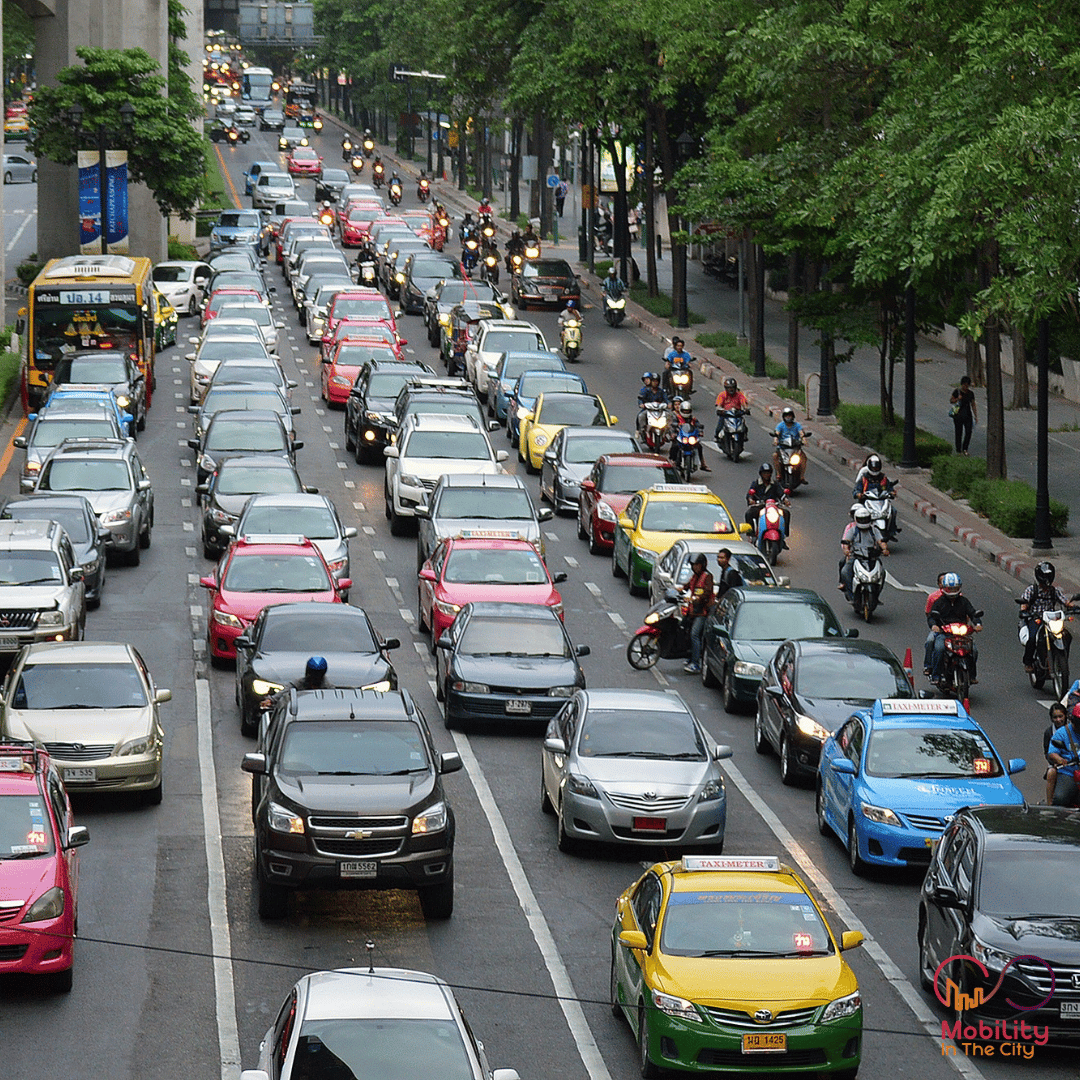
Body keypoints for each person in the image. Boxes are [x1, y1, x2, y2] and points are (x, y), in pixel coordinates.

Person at [1018, 561, 1074, 673]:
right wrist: (1024, 610)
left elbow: (1065, 601)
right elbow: (1024, 604)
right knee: (1032, 639)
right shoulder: (1031, 590)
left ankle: (1062, 658)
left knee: (1067, 636)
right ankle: (1028, 662)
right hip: (1036, 619)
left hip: (1051, 620)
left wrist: (1073, 606)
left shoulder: (1054, 591)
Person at [928, 573, 981, 684]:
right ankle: (936, 675)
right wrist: (934, 626)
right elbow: (931, 617)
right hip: (945, 633)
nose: (952, 591)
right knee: (939, 648)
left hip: (962, 634)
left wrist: (977, 624)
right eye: (950, 588)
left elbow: (973, 613)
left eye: (955, 588)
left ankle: (971, 675)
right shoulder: (939, 602)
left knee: (974, 650)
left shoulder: (964, 601)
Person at [839, 505, 886, 599]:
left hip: (871, 557)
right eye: (861, 519)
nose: (864, 521)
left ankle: (876, 595)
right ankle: (851, 593)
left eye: (865, 519)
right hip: (856, 556)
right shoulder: (852, 530)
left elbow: (881, 541)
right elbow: (846, 542)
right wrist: (847, 551)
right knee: (845, 571)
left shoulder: (874, 530)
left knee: (882, 573)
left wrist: (884, 549)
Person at [682, 553, 714, 674]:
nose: (695, 567)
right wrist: (679, 589)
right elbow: (687, 586)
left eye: (697, 565)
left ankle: (696, 663)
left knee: (695, 634)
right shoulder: (694, 577)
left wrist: (695, 598)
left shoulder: (707, 577)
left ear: (703, 565)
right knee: (686, 630)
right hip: (693, 611)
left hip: (702, 613)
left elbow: (706, 593)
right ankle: (689, 657)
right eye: (693, 565)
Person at [1047, 705, 1080, 806]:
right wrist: (1061, 760)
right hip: (1069, 772)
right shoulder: (1062, 733)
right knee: (1060, 798)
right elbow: (1052, 753)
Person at [745, 463, 788, 531]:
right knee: (748, 514)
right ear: (761, 474)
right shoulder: (756, 483)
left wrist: (785, 500)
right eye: (765, 473)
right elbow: (750, 494)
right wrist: (750, 500)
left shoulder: (775, 484)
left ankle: (784, 533)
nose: (767, 475)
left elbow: (781, 493)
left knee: (786, 513)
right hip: (760, 506)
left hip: (773, 507)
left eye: (768, 473)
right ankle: (751, 534)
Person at [670, 399, 709, 471]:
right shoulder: (677, 417)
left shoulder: (693, 419)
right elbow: (672, 426)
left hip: (690, 437)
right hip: (680, 436)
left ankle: (703, 464)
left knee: (699, 447)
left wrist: (700, 431)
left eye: (687, 411)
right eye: (684, 411)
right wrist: (673, 433)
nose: (686, 412)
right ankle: (672, 461)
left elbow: (698, 425)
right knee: (675, 445)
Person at [1044, 702, 1069, 804]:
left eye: (1060, 716)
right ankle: (1050, 804)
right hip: (1057, 765)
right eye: (1055, 717)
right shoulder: (1049, 733)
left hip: (1073, 763)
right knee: (1051, 773)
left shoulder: (1073, 729)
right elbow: (1047, 753)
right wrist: (1056, 761)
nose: (1058, 720)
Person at [923, 572, 947, 676]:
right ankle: (929, 666)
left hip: (954, 630)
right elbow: (929, 614)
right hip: (940, 629)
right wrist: (934, 625)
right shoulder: (934, 598)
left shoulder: (960, 598)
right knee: (930, 641)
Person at [715, 377, 749, 442]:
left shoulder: (739, 395)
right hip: (726, 414)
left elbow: (744, 403)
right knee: (719, 427)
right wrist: (720, 409)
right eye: (729, 388)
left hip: (737, 414)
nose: (731, 389)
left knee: (744, 427)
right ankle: (716, 437)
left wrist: (746, 409)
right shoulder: (722, 395)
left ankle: (743, 436)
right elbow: (718, 404)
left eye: (732, 387)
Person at [950, 375, 977, 455]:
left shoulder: (971, 393)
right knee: (958, 432)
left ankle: (965, 448)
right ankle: (959, 450)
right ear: (961, 384)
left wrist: (975, 415)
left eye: (967, 385)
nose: (965, 387)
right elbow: (951, 400)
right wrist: (958, 398)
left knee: (968, 432)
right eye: (964, 385)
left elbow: (973, 404)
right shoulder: (957, 391)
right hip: (958, 415)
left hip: (968, 415)